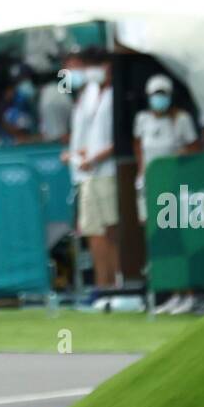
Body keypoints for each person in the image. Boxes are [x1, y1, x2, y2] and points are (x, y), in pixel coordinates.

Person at [63, 48, 119, 291]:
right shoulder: (90, 94)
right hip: (88, 174)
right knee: (93, 230)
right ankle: (102, 287)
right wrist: (79, 154)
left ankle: (120, 284)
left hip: (108, 172)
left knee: (112, 229)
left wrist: (95, 157)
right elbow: (90, 137)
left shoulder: (115, 94)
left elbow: (121, 138)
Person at [133, 74, 204, 228]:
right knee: (150, 227)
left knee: (172, 225)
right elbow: (138, 146)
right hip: (148, 183)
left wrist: (181, 154)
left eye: (163, 94)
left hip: (174, 183)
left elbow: (195, 149)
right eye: (155, 94)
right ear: (148, 96)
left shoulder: (181, 119)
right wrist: (141, 170)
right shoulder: (142, 119)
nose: (159, 98)